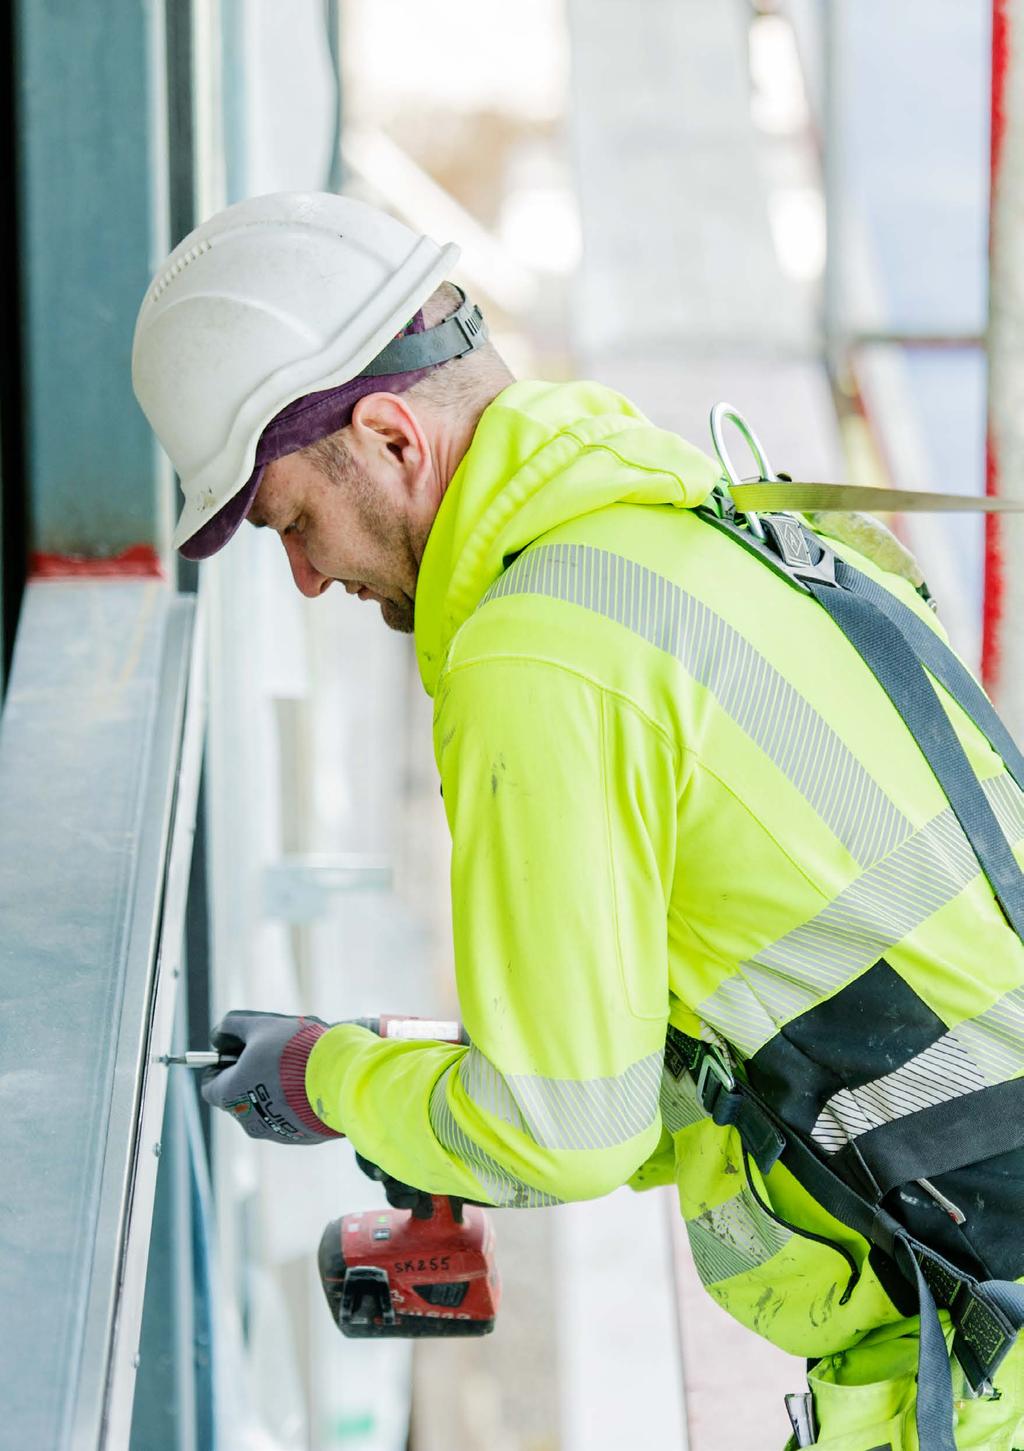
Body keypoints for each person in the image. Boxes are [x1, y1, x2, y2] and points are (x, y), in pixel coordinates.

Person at [133, 191, 1024, 1451]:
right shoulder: (712, 530)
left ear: (392, 438)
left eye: (290, 521)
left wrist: (337, 1079)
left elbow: (562, 1129)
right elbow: (798, 1053)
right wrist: (417, 1074)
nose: (307, 575)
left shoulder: (538, 657)